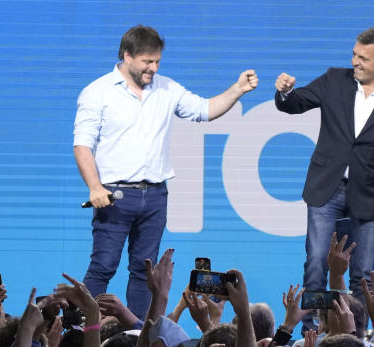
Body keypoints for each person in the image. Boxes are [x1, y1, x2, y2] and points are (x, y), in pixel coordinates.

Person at [74, 25, 258, 319]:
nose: (153, 68)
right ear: (127, 55)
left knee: (144, 270)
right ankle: (83, 331)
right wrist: (95, 187)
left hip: (156, 196)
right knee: (103, 265)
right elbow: (82, 144)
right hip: (114, 195)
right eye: (147, 61)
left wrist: (238, 90)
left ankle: (137, 335)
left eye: (157, 61)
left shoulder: (167, 88)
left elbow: (204, 110)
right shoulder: (97, 92)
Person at [274, 27, 374, 330]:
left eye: (363, 58)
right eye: (354, 54)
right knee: (316, 264)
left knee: (362, 273)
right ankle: (311, 330)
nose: (355, 62)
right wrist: (285, 91)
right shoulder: (333, 80)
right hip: (327, 188)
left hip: (370, 196)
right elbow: (295, 103)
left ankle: (358, 336)